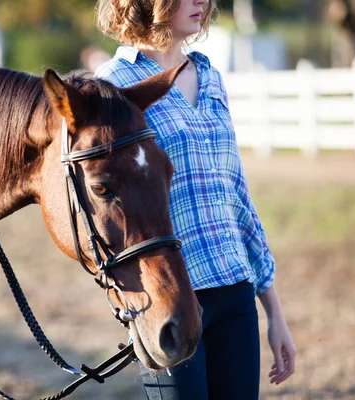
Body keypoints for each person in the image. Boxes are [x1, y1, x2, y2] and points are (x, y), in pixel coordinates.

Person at [93, 0, 296, 398]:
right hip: (169, 298)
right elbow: (104, 202)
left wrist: (273, 311)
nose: (201, 0)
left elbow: (236, 194)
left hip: (235, 289)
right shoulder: (112, 83)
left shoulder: (210, 75)